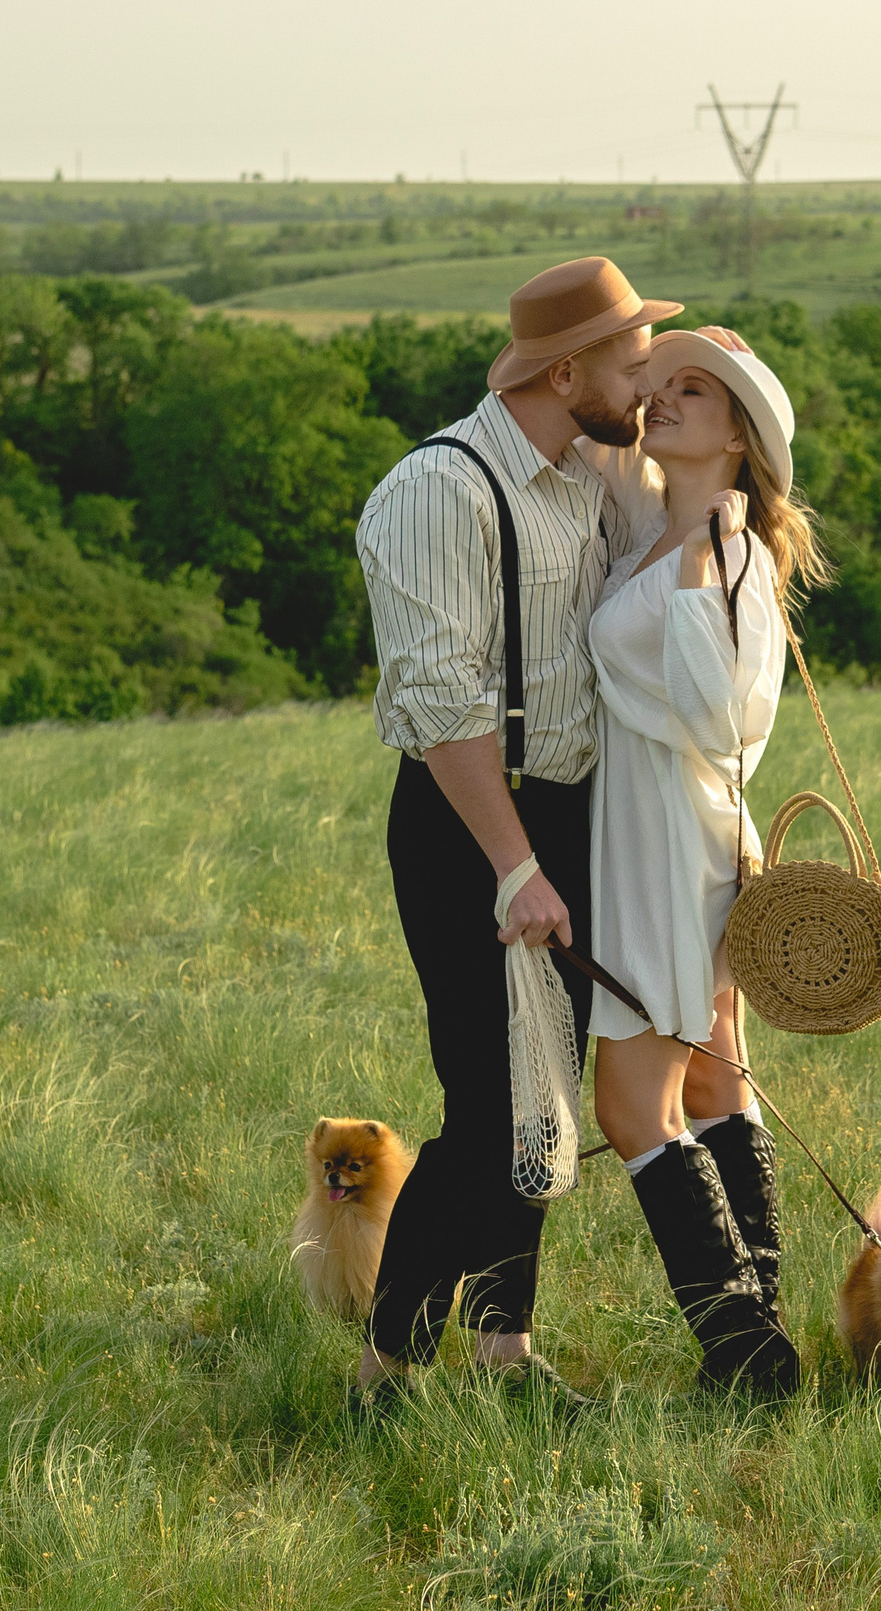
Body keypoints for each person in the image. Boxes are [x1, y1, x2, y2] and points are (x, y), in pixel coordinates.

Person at [349, 256, 676, 1408]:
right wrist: (515, 865)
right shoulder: (439, 488)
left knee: (544, 1098)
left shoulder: (587, 469)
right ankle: (385, 1367)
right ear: (566, 371)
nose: (645, 384)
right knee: (488, 1110)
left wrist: (713, 378)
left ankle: (504, 1348)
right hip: (473, 825)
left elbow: (696, 476)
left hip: (568, 814)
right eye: (633, 363)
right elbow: (442, 703)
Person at [588, 328, 830, 1395]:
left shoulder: (730, 557)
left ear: (739, 436)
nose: (667, 399)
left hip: (671, 847)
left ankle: (741, 1345)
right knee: (713, 1071)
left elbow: (723, 721)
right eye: (664, 386)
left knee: (632, 1106)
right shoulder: (653, 526)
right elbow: (594, 416)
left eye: (697, 391)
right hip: (655, 834)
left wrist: (695, 572)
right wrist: (648, 361)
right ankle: (759, 1330)